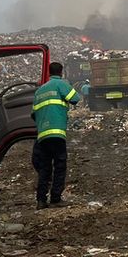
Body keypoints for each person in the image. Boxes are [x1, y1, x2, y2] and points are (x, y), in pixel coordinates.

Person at [31, 63, 79, 209]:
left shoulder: (39, 91)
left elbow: (33, 114)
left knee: (45, 167)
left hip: (43, 135)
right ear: (61, 72)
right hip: (57, 133)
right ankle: (56, 198)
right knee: (60, 165)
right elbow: (75, 98)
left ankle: (41, 200)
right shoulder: (60, 84)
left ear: (48, 72)